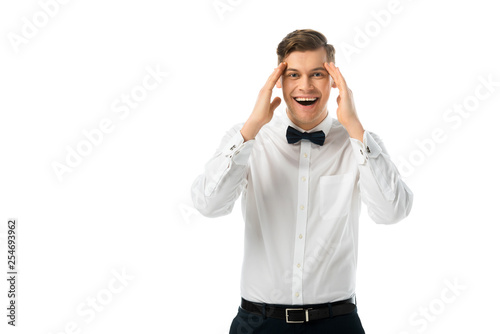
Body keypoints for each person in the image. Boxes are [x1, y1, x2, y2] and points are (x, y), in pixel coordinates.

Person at [191, 29, 413, 333]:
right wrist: (251, 128)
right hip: (258, 324)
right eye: (293, 74)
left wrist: (355, 129)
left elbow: (392, 212)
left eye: (317, 74)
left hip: (338, 323)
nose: (305, 86)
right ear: (279, 81)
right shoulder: (248, 139)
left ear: (334, 80)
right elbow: (208, 205)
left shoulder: (359, 143)